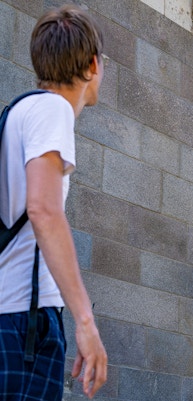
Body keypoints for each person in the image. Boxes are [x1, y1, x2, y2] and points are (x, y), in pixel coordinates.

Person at [0, 4, 108, 399]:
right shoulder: (52, 109)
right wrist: (85, 321)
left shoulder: (19, 111)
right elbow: (43, 209)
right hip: (23, 323)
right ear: (93, 65)